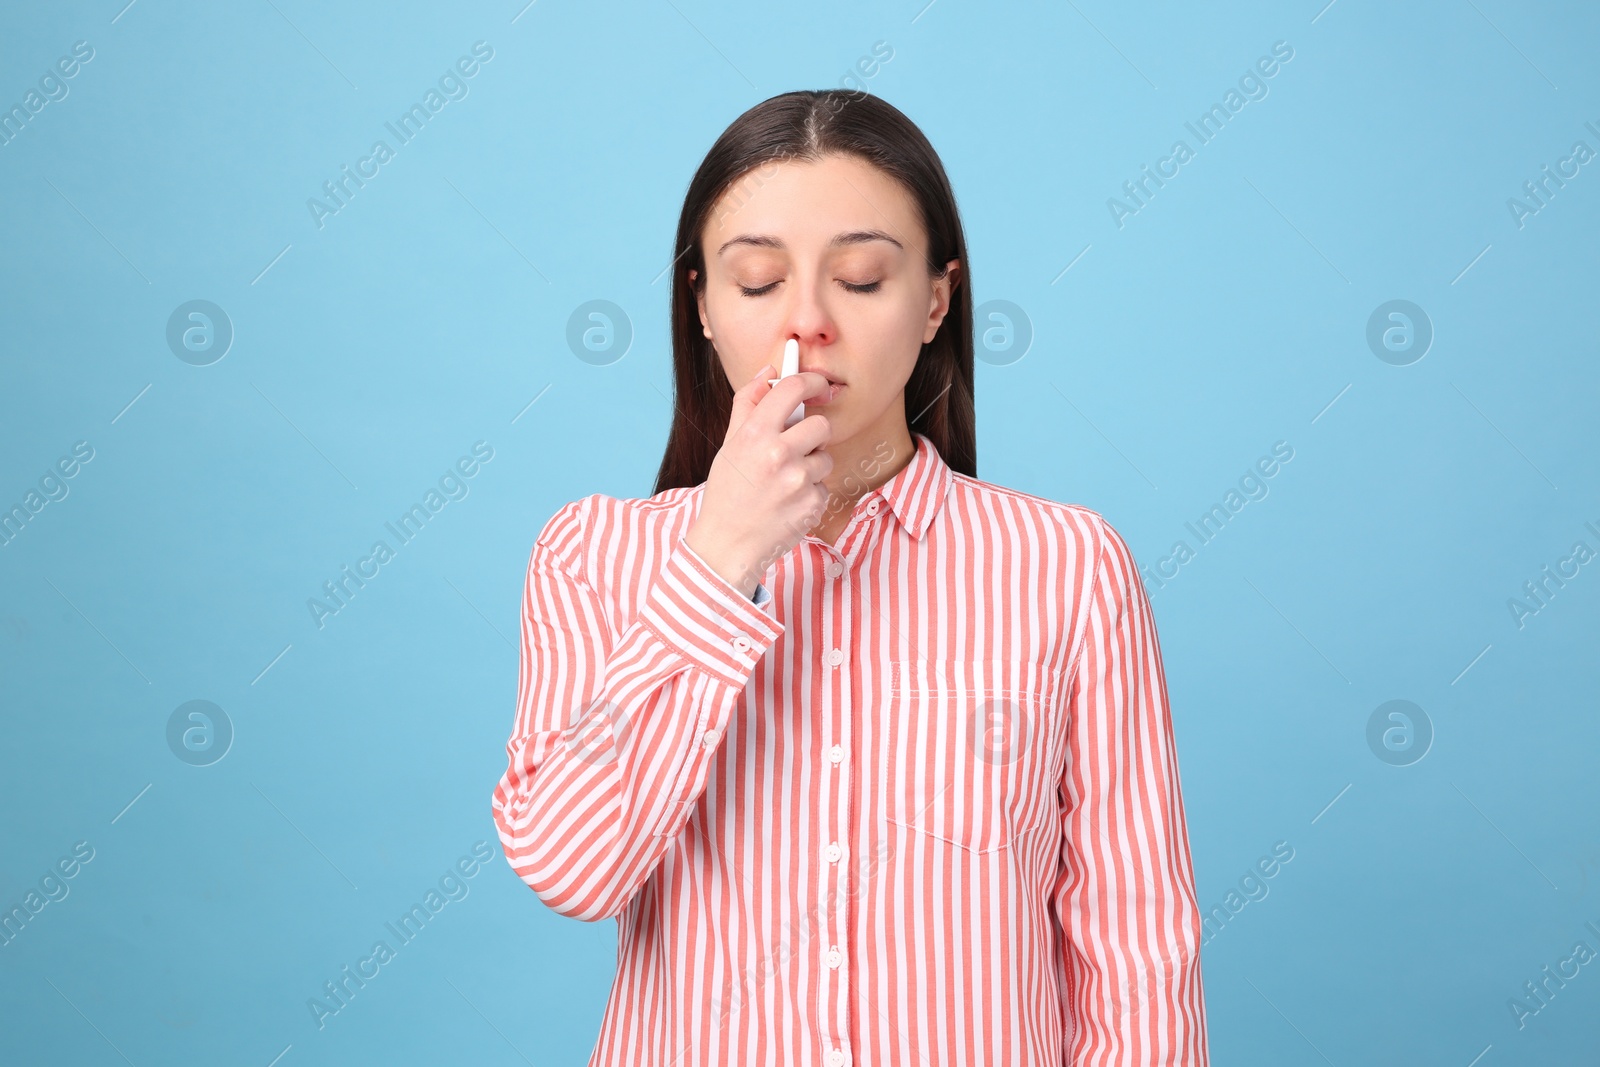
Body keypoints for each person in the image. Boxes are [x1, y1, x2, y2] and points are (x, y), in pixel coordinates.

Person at [491, 88, 1209, 1066]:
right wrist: (722, 557)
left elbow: (1136, 958)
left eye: (863, 278)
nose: (808, 322)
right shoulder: (592, 555)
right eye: (756, 281)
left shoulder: (1068, 568)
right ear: (700, 303)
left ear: (936, 301)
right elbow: (574, 868)